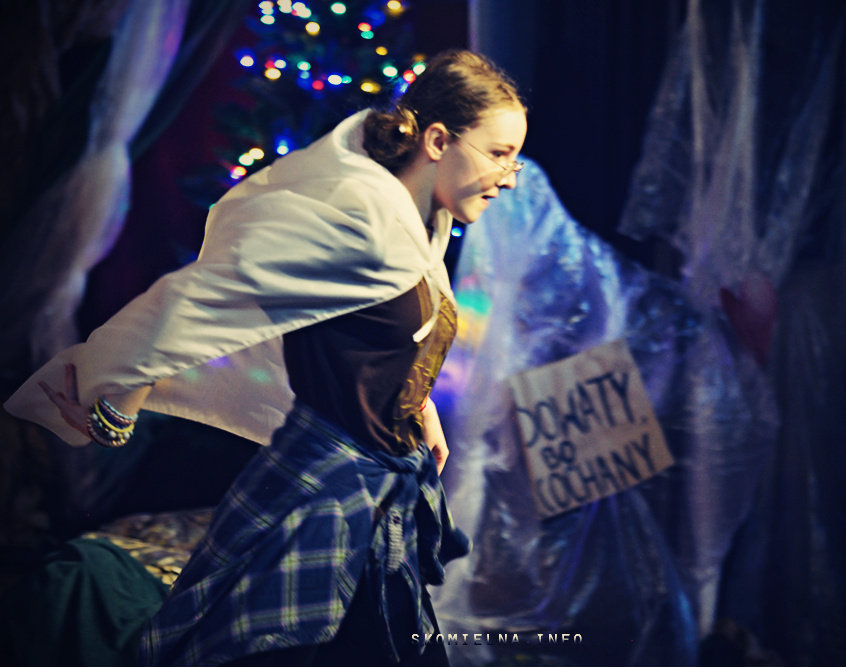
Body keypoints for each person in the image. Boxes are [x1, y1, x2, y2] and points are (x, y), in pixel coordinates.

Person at [4, 49, 528, 666]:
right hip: (325, 492)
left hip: (370, 492)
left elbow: (383, 336)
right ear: (438, 140)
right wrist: (114, 391)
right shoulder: (361, 220)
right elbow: (205, 297)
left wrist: (415, 407)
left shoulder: (417, 221)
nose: (509, 177)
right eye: (499, 154)